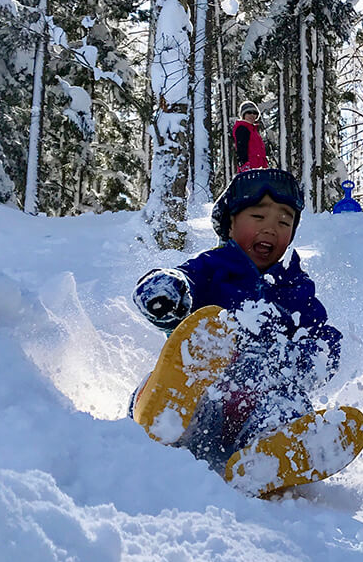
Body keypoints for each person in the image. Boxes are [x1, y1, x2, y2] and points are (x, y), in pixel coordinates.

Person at [130, 167, 343, 470]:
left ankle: (274, 455)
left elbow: (319, 334)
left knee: (287, 404)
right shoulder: (213, 267)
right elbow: (184, 280)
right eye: (258, 217)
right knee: (179, 376)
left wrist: (313, 355)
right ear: (230, 225)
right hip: (203, 396)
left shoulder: (295, 287)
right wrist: (167, 292)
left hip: (255, 408)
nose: (271, 228)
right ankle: (157, 414)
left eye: (284, 221)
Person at [231, 101, 268, 174]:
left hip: (260, 169)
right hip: (250, 169)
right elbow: (241, 148)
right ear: (243, 115)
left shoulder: (254, 131)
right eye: (249, 113)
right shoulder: (242, 128)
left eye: (254, 113)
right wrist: (244, 165)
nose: (252, 115)